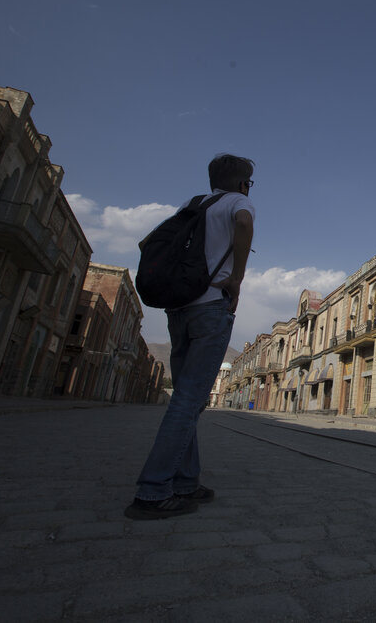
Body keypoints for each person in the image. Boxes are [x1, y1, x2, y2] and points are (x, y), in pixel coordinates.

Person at [124, 154, 256, 520]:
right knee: (188, 401)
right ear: (244, 183)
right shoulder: (239, 202)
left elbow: (147, 242)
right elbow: (244, 224)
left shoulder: (193, 204)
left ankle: (185, 482)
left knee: (186, 399)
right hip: (211, 307)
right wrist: (237, 279)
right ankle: (152, 492)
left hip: (178, 308)